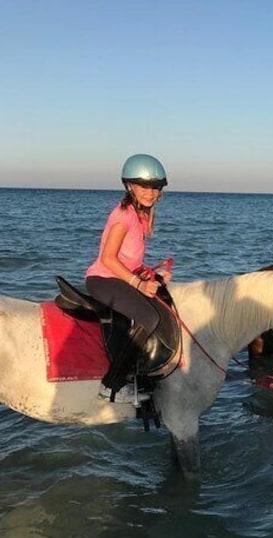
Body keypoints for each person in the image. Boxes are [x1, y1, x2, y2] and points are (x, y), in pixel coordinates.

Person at [85, 154, 172, 402]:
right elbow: (108, 258)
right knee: (148, 316)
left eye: (155, 187)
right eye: (144, 186)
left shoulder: (140, 216)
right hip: (103, 279)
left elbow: (128, 259)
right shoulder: (124, 216)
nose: (150, 192)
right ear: (130, 186)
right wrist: (138, 283)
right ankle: (111, 385)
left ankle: (142, 373)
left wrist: (150, 273)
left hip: (119, 278)